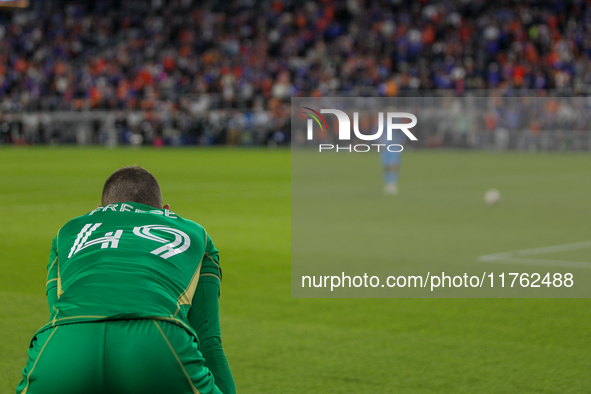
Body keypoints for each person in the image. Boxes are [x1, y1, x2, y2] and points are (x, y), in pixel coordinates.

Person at [17, 166, 235, 394]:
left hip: (63, 348)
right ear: (165, 210)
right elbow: (208, 338)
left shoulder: (68, 231)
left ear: (100, 209)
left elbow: (58, 312)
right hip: (157, 342)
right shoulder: (195, 233)